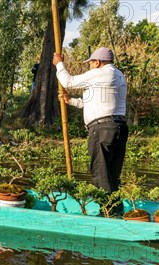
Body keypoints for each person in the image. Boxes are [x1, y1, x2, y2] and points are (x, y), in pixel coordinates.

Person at [52, 47, 128, 195]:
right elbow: (93, 102)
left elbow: (68, 82)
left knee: (100, 171)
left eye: (91, 63)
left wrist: (59, 64)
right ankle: (115, 208)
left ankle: (106, 210)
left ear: (98, 62)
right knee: (112, 173)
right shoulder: (119, 75)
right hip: (119, 128)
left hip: (102, 130)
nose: (89, 66)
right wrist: (70, 101)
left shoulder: (99, 73)